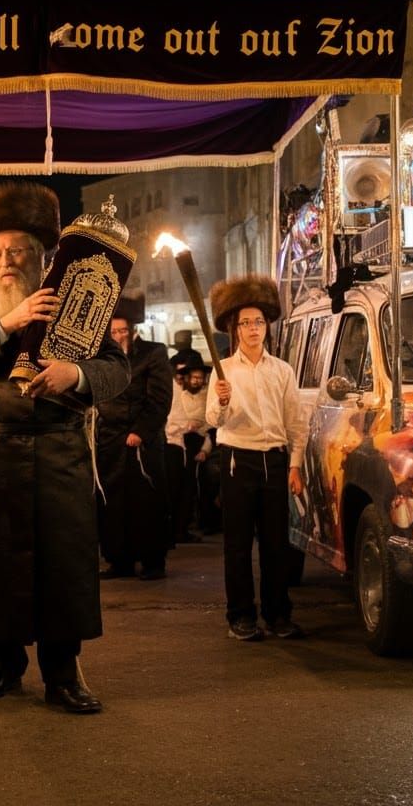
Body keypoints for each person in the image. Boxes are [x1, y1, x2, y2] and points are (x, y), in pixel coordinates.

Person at [0, 182, 130, 715]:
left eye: (17, 250)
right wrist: (6, 326)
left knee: (62, 568)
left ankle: (63, 675)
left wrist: (76, 374)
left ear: (42, 256)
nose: (6, 261)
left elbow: (117, 371)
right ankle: (3, 664)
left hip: (59, 453)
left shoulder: (76, 304)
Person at [206, 274, 307, 642]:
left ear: (267, 327)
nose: (253, 329)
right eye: (245, 323)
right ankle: (241, 616)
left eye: (258, 322)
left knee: (276, 543)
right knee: (237, 545)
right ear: (235, 329)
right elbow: (212, 422)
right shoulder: (224, 371)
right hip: (237, 461)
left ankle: (279, 614)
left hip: (275, 462)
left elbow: (296, 422)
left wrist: (294, 465)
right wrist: (220, 399)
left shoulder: (282, 371)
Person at [96, 297, 174, 580]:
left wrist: (141, 431)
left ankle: (154, 560)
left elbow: (160, 398)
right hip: (110, 441)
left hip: (143, 441)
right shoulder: (102, 357)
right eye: (113, 333)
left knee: (147, 502)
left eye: (122, 332)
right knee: (112, 503)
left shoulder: (153, 353)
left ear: (132, 330)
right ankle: (119, 559)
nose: (118, 337)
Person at [165, 362, 214, 544]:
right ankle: (175, 529)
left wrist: (205, 448)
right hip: (179, 441)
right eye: (193, 377)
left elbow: (210, 425)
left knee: (192, 488)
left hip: (199, 441)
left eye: (199, 378)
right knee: (177, 487)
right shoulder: (178, 394)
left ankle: (188, 526)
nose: (196, 381)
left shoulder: (208, 397)